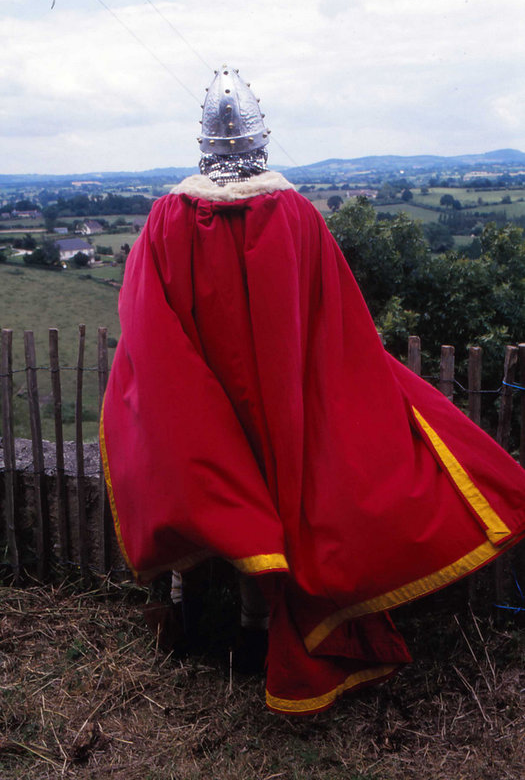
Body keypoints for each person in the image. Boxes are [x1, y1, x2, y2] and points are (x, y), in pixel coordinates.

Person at [100, 66, 525, 715]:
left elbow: (145, 320)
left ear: (204, 142)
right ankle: (250, 634)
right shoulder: (291, 212)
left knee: (208, 492)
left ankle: (192, 621)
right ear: (260, 139)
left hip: (197, 400)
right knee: (278, 504)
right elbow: (335, 320)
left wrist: (168, 396)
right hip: (283, 400)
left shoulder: (167, 216)